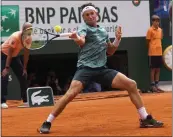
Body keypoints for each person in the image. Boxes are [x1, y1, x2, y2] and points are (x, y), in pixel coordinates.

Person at [38, 3, 163, 134]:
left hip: (102, 69)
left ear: (97, 15)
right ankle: (48, 121)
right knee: (70, 94)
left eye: (92, 13)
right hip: (85, 69)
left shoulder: (103, 31)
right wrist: (76, 38)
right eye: (87, 15)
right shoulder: (83, 28)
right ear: (84, 18)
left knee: (131, 84)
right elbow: (82, 41)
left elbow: (110, 51)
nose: (90, 16)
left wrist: (117, 40)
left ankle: (145, 118)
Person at [1, 22, 32, 108]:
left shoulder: (29, 39)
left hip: (14, 56)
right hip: (3, 55)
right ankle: (2, 101)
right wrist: (6, 68)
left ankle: (25, 100)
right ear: (23, 30)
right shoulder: (15, 37)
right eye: (28, 30)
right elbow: (9, 54)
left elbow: (26, 54)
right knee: (4, 77)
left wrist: (24, 68)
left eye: (31, 30)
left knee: (23, 75)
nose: (30, 32)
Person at [146, 15, 164, 93]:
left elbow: (160, 40)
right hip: (152, 52)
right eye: (155, 21)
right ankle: (152, 86)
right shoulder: (150, 30)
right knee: (153, 69)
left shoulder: (160, 30)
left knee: (158, 69)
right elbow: (147, 41)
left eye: (158, 21)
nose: (157, 23)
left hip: (159, 52)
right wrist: (151, 48)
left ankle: (157, 85)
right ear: (152, 22)